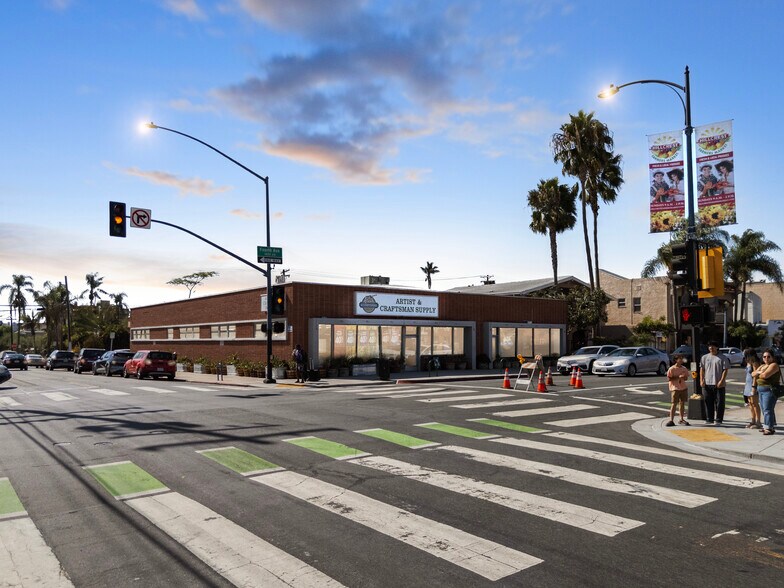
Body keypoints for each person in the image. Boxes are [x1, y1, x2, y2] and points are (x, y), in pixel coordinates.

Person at [700, 341, 730, 424]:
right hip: (707, 383)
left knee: (720, 402)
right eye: (709, 346)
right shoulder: (704, 357)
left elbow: (725, 370)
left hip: (719, 384)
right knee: (708, 401)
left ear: (717, 347)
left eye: (713, 346)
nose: (711, 348)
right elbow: (702, 369)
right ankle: (709, 418)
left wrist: (721, 381)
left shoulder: (722, 357)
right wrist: (701, 380)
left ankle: (719, 419)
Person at [752, 348, 780, 435]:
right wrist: (760, 372)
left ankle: (769, 428)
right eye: (764, 357)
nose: (766, 358)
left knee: (768, 409)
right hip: (761, 390)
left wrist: (759, 373)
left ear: (772, 357)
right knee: (764, 409)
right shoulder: (763, 366)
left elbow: (765, 376)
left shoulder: (774, 365)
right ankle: (767, 426)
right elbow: (753, 373)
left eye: (768, 356)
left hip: (769, 390)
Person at [665, 353, 690, 426]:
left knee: (682, 403)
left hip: (683, 388)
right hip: (675, 388)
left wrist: (683, 377)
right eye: (680, 358)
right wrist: (678, 377)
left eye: (682, 358)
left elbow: (686, 378)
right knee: (674, 404)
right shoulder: (672, 369)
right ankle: (671, 420)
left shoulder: (684, 368)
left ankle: (681, 419)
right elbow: (669, 378)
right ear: (676, 360)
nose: (682, 360)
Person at [743, 348, 762, 429]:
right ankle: (753, 420)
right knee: (750, 403)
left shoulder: (755, 363)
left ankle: (758, 422)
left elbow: (756, 376)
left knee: (755, 403)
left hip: (753, 385)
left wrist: (754, 387)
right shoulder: (749, 362)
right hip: (748, 385)